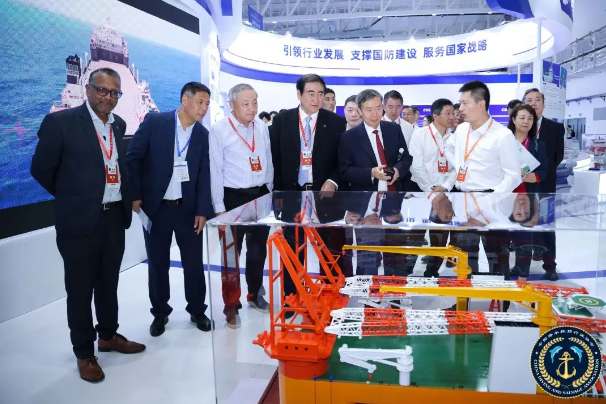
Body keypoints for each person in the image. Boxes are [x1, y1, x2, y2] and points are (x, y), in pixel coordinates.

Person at [31, 68, 145, 383]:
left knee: (108, 283)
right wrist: (74, 196)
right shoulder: (61, 123)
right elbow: (41, 169)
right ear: (88, 89)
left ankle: (108, 335)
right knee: (80, 290)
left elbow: (117, 165)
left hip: (113, 218)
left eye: (114, 92)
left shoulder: (118, 124)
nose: (108, 97)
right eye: (102, 90)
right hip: (79, 221)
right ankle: (84, 352)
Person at [127, 82, 214, 337]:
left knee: (194, 264)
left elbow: (204, 175)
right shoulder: (156, 122)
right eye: (200, 102)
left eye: (207, 104)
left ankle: (197, 310)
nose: (204, 108)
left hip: (188, 211)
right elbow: (133, 158)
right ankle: (160, 313)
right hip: (157, 209)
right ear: (185, 100)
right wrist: (136, 195)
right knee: (158, 264)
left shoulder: (202, 135)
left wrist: (202, 210)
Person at [270, 74, 352, 299]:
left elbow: (342, 160)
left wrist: (333, 181)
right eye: (310, 93)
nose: (316, 99)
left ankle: (331, 295)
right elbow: (275, 158)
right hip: (292, 194)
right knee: (293, 249)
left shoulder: (336, 122)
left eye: (320, 94)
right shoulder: (283, 120)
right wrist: (278, 193)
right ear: (299, 94)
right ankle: (292, 297)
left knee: (330, 249)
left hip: (325, 196)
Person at [209, 83, 273, 328]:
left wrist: (270, 192)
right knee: (230, 256)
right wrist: (219, 208)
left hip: (260, 197)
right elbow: (215, 170)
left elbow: (268, 162)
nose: (252, 108)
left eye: (255, 102)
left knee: (257, 251)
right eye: (245, 103)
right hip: (232, 199)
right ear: (232, 105)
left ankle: (254, 293)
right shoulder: (219, 130)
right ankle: (231, 304)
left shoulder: (261, 127)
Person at [445, 80, 521, 274]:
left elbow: (513, 176)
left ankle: (500, 293)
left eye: (465, 103)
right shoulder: (462, 130)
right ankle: (464, 294)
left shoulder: (502, 135)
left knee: (498, 261)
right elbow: (449, 148)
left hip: (492, 205)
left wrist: (486, 209)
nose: (460, 108)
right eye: (460, 103)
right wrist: (460, 167)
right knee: (465, 262)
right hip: (463, 203)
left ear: (481, 104)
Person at [409, 98, 456, 276]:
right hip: (420, 192)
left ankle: (432, 272)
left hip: (444, 194)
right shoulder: (420, 135)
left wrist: (445, 187)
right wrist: (431, 191)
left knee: (440, 238)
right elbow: (416, 166)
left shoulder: (454, 138)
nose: (452, 117)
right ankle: (404, 273)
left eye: (453, 113)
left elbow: (457, 168)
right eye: (447, 113)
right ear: (435, 115)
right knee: (415, 236)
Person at [523, 88, 564, 281]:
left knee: (547, 226)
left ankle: (550, 266)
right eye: (529, 100)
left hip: (546, 185)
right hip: (523, 186)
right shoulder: (517, 127)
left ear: (544, 104)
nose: (533, 103)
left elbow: (558, 156)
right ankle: (522, 265)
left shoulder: (555, 128)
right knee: (523, 227)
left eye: (537, 99)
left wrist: (541, 173)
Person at [339, 89, 412, 192]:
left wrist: (397, 170)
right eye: (369, 110)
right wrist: (371, 173)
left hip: (394, 193)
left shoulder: (394, 129)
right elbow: (345, 171)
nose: (375, 114)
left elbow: (406, 158)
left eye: (378, 108)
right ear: (359, 111)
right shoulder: (349, 137)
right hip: (365, 196)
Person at [506, 103, 548, 283]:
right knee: (502, 237)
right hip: (505, 197)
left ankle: (523, 276)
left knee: (525, 239)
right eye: (522, 117)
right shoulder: (503, 142)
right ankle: (502, 274)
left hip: (527, 197)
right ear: (513, 119)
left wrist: (530, 177)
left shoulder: (538, 145)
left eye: (530, 118)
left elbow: (544, 172)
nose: (526, 121)